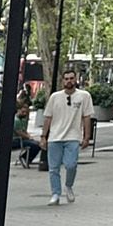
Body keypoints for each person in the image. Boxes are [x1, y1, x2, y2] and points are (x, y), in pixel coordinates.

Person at [42, 68, 93, 206]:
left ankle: (69, 185)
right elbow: (48, 117)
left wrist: (86, 137)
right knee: (54, 168)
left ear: (76, 79)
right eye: (66, 78)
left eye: (71, 78)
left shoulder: (84, 96)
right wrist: (43, 136)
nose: (69, 81)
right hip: (55, 137)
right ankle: (55, 194)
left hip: (73, 136)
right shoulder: (55, 97)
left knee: (71, 165)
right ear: (62, 80)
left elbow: (87, 117)